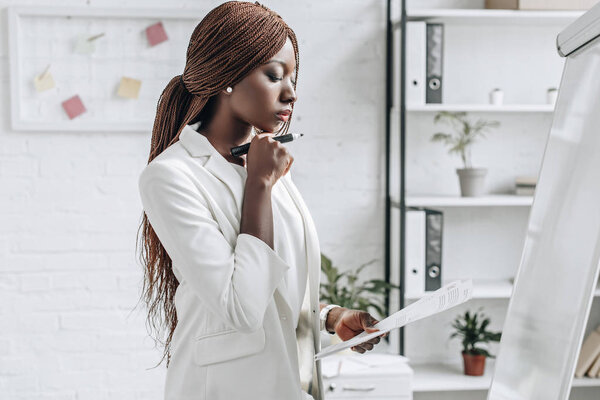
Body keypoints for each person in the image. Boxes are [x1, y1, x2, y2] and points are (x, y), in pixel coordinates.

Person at [136, 2, 387, 399]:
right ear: (226, 77)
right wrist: (259, 184)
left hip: (289, 384)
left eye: (293, 77)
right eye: (274, 75)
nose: (291, 93)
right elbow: (242, 308)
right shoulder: (171, 177)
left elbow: (274, 286)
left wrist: (329, 318)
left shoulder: (262, 159)